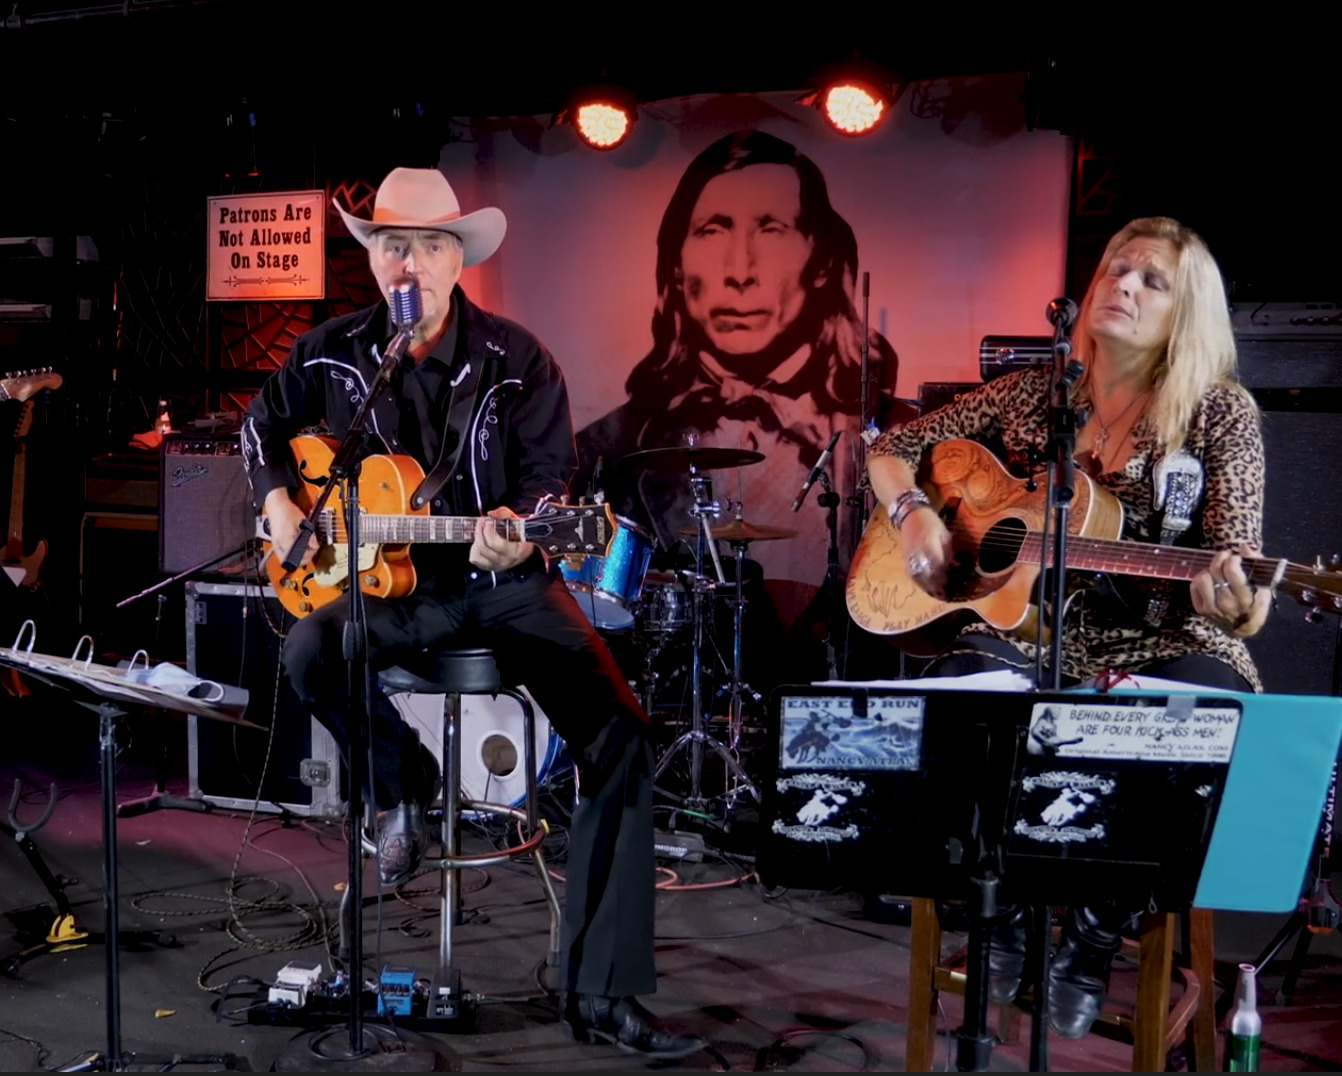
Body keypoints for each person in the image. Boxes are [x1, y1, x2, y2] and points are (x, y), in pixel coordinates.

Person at [243, 168, 704, 1059]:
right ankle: (404, 787)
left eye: (424, 244)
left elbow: (546, 486)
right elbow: (261, 430)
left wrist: (521, 533)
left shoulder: (519, 361)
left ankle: (599, 993)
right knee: (308, 649)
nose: (404, 260)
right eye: (388, 244)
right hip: (388, 589)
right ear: (372, 259)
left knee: (618, 736)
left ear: (458, 259)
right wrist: (277, 505)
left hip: (503, 586)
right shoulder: (334, 353)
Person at [865, 216, 1272, 1037]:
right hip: (1031, 629)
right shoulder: (1043, 391)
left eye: (1151, 280)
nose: (1122, 287)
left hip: (1160, 635)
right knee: (952, 705)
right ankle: (1007, 909)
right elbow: (892, 446)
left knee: (1194, 717)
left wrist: (1235, 598)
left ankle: (1092, 934)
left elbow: (1241, 570)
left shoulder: (1216, 412)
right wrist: (914, 517)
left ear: (1184, 309)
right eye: (1115, 270)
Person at [576, 129, 901, 632]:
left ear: (819, 260)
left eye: (771, 229)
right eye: (713, 230)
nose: (740, 271)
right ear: (677, 266)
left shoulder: (888, 435)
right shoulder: (601, 446)